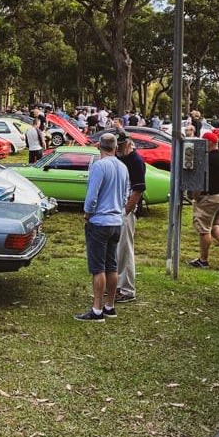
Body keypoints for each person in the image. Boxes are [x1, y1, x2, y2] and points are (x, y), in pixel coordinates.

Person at [76, 133, 128, 322]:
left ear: (99, 146)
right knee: (111, 265)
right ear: (116, 147)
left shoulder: (99, 166)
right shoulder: (123, 167)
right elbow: (125, 193)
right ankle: (110, 305)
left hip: (100, 221)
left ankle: (97, 309)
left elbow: (92, 195)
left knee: (98, 267)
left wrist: (88, 213)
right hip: (116, 221)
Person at [188, 131, 219, 268]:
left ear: (208, 143)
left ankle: (203, 260)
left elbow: (199, 180)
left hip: (211, 197)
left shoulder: (206, 159)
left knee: (204, 229)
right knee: (215, 224)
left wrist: (196, 196)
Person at [114, 133, 146, 305]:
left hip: (127, 212)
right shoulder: (123, 159)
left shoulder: (135, 161)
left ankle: (127, 289)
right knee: (118, 250)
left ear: (128, 144)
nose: (118, 150)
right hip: (118, 210)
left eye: (120, 146)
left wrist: (126, 211)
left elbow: (138, 190)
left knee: (126, 250)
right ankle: (117, 286)